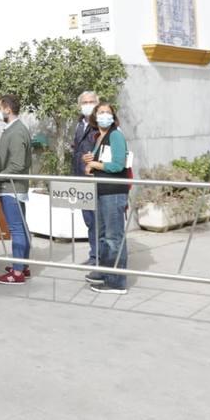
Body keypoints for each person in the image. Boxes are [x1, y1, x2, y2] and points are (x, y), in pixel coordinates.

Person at [83, 102, 130, 295]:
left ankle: (116, 281)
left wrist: (96, 164)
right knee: (103, 236)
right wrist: (90, 165)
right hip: (102, 191)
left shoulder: (116, 135)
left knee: (113, 237)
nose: (104, 115)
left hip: (114, 192)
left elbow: (118, 164)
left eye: (107, 112)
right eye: (100, 112)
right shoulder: (99, 137)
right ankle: (104, 272)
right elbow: (100, 162)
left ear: (113, 116)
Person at [0, 93, 34, 285]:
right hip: (12, 187)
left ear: (8, 109)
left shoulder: (16, 132)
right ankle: (21, 266)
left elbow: (16, 165)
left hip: (11, 188)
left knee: (17, 228)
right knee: (21, 227)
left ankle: (17, 272)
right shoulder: (13, 129)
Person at [72, 91, 100, 265]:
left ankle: (99, 258)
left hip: (95, 179)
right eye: (85, 102)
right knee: (89, 221)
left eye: (91, 101)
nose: (88, 105)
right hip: (81, 179)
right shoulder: (79, 124)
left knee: (97, 221)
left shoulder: (101, 125)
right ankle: (94, 255)